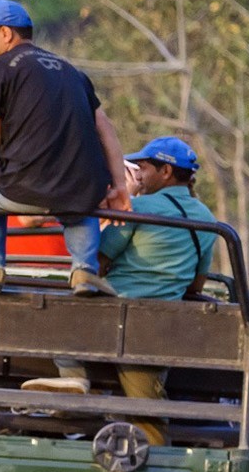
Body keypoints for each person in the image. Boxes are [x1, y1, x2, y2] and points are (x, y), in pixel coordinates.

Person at [22, 137, 218, 445]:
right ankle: (156, 466)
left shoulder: (139, 208)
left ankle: (75, 384)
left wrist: (132, 199)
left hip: (112, 311)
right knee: (147, 411)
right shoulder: (206, 218)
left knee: (63, 317)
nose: (138, 174)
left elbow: (98, 263)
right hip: (158, 324)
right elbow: (196, 284)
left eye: (143, 168)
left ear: (165, 171)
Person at [0, 0, 130, 296]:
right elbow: (105, 129)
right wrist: (119, 184)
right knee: (81, 199)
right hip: (80, 195)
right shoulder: (74, 73)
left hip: (19, 193)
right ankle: (85, 270)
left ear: (5, 33)